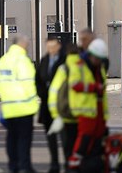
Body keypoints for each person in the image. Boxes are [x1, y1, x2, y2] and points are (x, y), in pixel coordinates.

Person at [0, 35, 38, 173]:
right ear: (21, 44)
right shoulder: (23, 60)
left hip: (9, 107)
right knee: (24, 140)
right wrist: (34, 101)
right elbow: (29, 84)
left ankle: (13, 166)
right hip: (24, 107)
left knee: (12, 138)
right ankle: (25, 167)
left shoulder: (3, 60)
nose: (28, 46)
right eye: (26, 44)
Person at [67, 39, 109, 173]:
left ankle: (94, 162)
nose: (99, 62)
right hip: (87, 109)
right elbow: (74, 84)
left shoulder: (99, 67)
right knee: (85, 136)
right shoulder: (79, 66)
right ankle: (75, 162)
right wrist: (94, 87)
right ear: (91, 55)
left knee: (98, 137)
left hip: (99, 110)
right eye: (98, 59)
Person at [47, 43, 81, 172]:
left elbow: (54, 92)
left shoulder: (63, 69)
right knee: (80, 150)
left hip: (65, 117)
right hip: (82, 117)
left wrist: (56, 115)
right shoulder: (85, 68)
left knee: (67, 150)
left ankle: (69, 168)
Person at [35, 38, 64, 173]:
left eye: (53, 46)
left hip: (62, 106)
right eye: (48, 46)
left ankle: (69, 163)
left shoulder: (65, 60)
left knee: (65, 138)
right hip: (47, 106)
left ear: (58, 46)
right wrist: (42, 94)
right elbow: (38, 80)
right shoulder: (45, 60)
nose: (51, 48)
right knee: (50, 136)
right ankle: (54, 163)